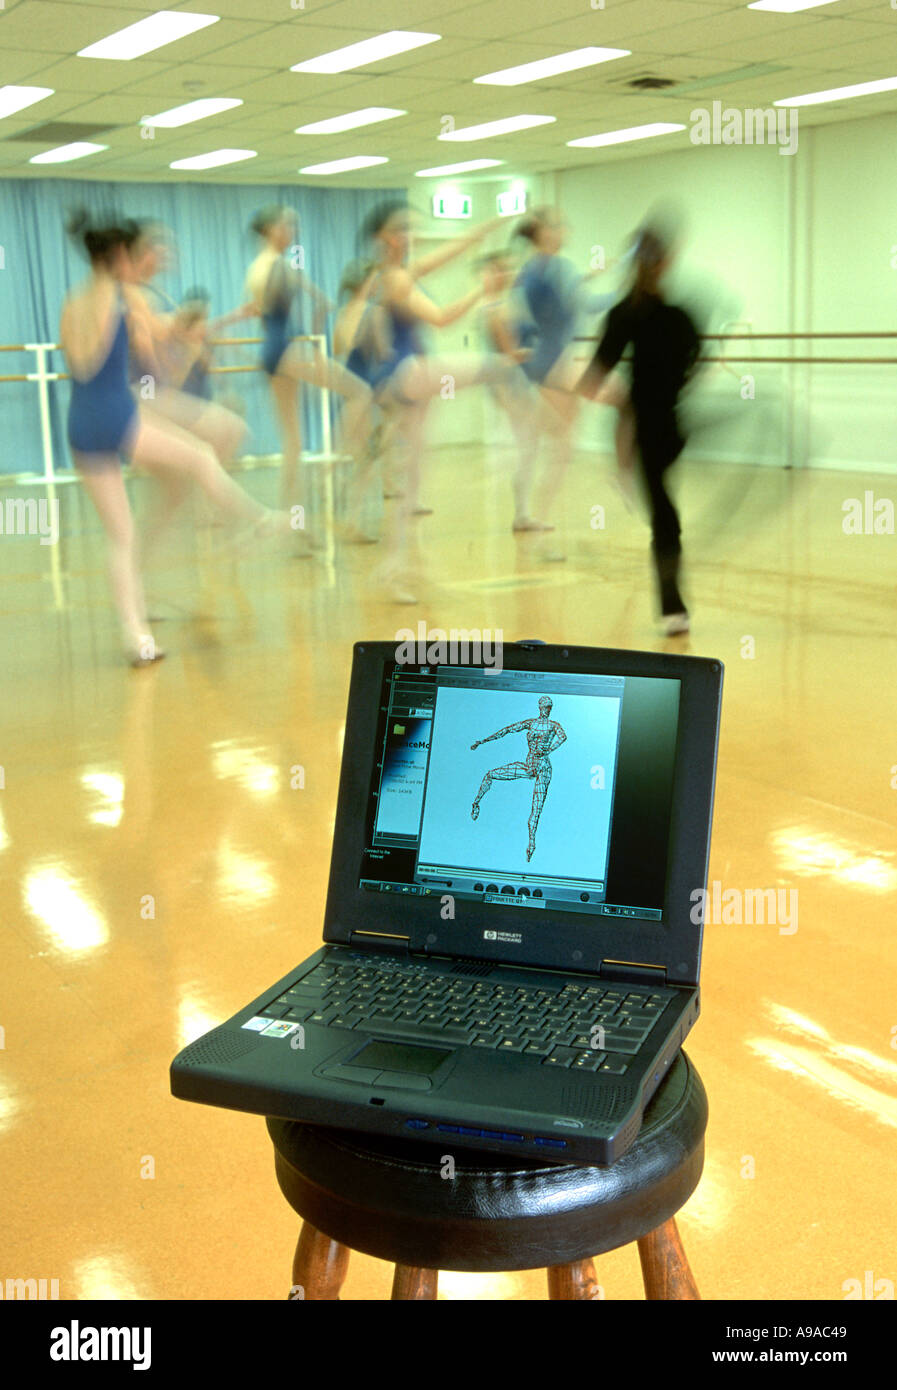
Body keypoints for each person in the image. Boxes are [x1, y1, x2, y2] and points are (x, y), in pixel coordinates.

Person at [60, 211, 289, 668]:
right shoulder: (126, 295)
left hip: (82, 421)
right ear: (122, 256)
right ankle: (258, 518)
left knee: (120, 535)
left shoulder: (74, 299)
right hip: (118, 416)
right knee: (202, 455)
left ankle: (137, 637)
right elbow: (164, 341)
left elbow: (92, 359)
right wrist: (192, 323)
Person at [361, 201, 510, 599]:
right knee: (498, 366)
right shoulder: (393, 278)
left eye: (409, 230)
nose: (408, 236)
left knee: (412, 477)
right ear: (383, 238)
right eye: (399, 231)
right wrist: (482, 288)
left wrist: (477, 233)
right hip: (406, 375)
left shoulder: (398, 271)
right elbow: (442, 318)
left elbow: (444, 256)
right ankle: (516, 442)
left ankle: (392, 569)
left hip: (409, 384)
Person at [577, 224, 703, 635]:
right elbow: (693, 359)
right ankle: (673, 606)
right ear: (665, 263)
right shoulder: (679, 315)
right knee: (666, 511)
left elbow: (597, 372)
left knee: (664, 514)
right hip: (672, 426)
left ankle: (673, 607)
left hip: (648, 429)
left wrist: (621, 398)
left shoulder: (624, 314)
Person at [225, 206, 373, 532]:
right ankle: (329, 463)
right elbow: (321, 304)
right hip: (290, 349)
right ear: (270, 230)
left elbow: (255, 308)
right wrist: (317, 347)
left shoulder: (256, 267)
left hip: (272, 352)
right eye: (286, 225)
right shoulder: (280, 265)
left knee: (291, 442)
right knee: (362, 392)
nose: (291, 231)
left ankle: (293, 522)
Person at [512, 207, 624, 542]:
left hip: (540, 366)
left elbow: (559, 297)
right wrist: (626, 294)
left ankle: (529, 516)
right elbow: (586, 304)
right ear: (544, 232)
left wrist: (590, 275)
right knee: (624, 398)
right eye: (557, 226)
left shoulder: (530, 269)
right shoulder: (558, 268)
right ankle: (626, 471)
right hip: (558, 360)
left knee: (562, 444)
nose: (563, 231)